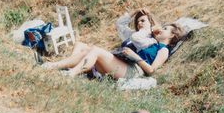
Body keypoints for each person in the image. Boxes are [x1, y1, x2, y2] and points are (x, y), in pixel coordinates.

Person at [41, 21, 185, 80]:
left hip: (133, 70)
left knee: (96, 50)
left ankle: (70, 74)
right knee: (86, 49)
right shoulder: (152, 41)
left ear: (172, 35)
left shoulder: (163, 50)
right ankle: (55, 66)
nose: (162, 30)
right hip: (125, 63)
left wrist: (135, 57)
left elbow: (151, 71)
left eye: (165, 29)